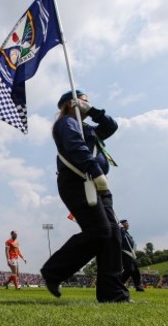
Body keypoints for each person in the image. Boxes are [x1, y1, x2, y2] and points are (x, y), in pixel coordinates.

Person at [40, 89, 130, 303]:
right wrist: (95, 170)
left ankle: (113, 294)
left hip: (98, 185)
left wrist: (95, 111)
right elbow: (75, 146)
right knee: (99, 231)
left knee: (113, 237)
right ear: (71, 104)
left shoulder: (87, 128)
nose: (87, 105)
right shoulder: (67, 123)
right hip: (78, 181)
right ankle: (54, 271)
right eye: (83, 101)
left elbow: (111, 126)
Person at [120, 219, 145, 292]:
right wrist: (121, 229)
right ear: (122, 224)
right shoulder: (120, 231)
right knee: (129, 269)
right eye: (126, 223)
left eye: (127, 223)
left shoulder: (127, 233)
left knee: (136, 270)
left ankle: (138, 286)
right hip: (124, 252)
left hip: (131, 253)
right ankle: (119, 284)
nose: (128, 224)